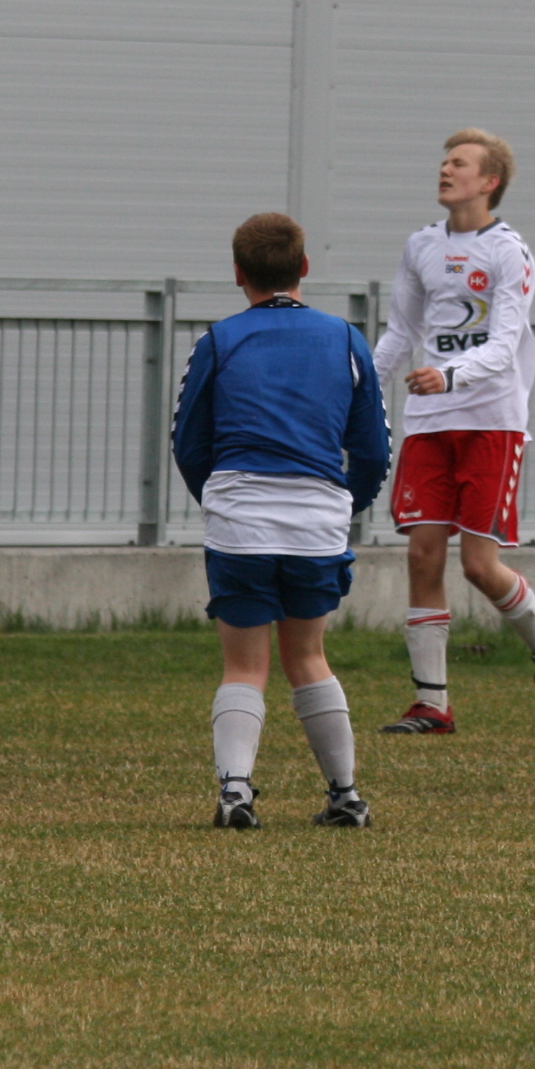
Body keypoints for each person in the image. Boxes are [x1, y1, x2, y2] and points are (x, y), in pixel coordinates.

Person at [173, 212, 391, 830]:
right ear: (304, 268)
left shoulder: (219, 340)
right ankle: (346, 794)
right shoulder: (345, 339)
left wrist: (219, 500)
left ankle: (235, 791)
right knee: (309, 655)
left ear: (238, 273)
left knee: (245, 665)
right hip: (316, 519)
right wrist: (345, 503)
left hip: (239, 516)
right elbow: (374, 448)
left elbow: (188, 442)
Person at [369, 128, 535, 734]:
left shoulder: (510, 251)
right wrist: (356, 392)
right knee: (422, 553)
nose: (445, 170)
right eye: (444, 162)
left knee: (480, 566)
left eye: (459, 163)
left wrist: (450, 375)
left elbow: (505, 344)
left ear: (490, 182)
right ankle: (433, 705)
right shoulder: (421, 245)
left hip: (490, 421)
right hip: (430, 422)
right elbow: (401, 333)